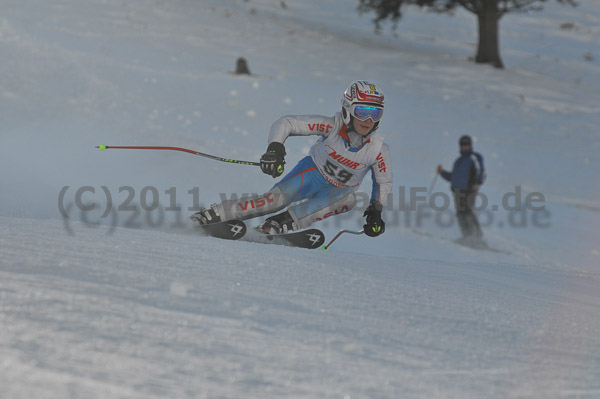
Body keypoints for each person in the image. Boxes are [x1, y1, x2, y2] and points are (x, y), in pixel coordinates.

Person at [192, 80, 393, 237]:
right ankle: (215, 214)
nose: (368, 120)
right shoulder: (331, 126)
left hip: (337, 191)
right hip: (312, 173)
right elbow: (287, 123)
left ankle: (279, 224)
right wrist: (275, 150)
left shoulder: (378, 149)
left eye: (375, 114)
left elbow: (383, 181)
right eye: (362, 112)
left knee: (349, 199)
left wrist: (376, 210)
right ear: (348, 110)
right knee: (272, 201)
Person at [437, 135, 486, 239]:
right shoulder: (458, 161)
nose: (465, 147)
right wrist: (442, 172)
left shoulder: (474, 157)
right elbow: (453, 177)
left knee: (468, 211)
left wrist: (477, 181)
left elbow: (480, 170)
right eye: (463, 145)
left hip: (469, 189)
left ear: (470, 145)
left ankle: (477, 235)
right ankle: (467, 235)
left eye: (467, 145)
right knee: (460, 213)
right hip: (457, 191)